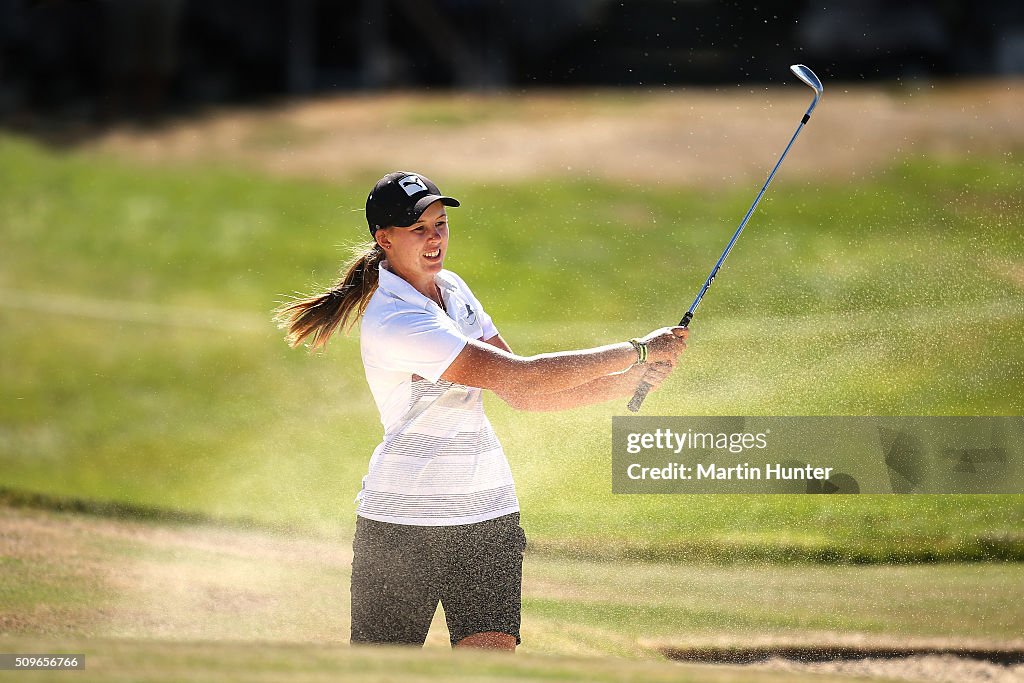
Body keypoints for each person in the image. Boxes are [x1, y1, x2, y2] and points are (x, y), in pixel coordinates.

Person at [274, 171, 688, 652]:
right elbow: (523, 376)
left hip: (486, 514)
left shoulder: (453, 289)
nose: (434, 239)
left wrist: (624, 385)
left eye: (440, 224)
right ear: (383, 239)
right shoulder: (396, 319)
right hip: (404, 523)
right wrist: (637, 350)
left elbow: (525, 395)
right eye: (418, 229)